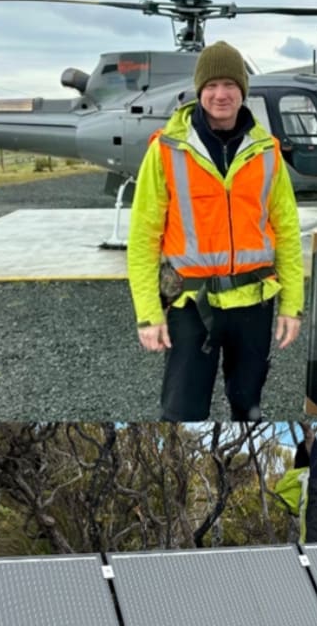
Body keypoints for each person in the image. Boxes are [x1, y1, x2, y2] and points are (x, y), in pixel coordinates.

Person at [126, 40, 303, 422]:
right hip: (190, 305)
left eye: (230, 85)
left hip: (254, 304)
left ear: (243, 91)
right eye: (211, 86)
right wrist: (148, 313)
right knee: (181, 413)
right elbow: (142, 238)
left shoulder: (268, 151)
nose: (221, 94)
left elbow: (287, 231)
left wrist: (292, 304)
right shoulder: (166, 151)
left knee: (249, 409)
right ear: (199, 90)